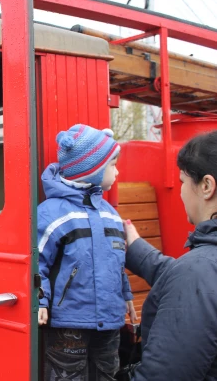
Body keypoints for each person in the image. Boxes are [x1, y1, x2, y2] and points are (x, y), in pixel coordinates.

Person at [38, 124, 136, 381]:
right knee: (66, 374)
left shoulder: (109, 213)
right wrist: (39, 299)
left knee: (107, 371)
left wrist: (126, 295)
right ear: (91, 169)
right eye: (113, 165)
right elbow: (37, 262)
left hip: (110, 318)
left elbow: (117, 260)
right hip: (69, 321)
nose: (118, 171)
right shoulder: (52, 213)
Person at [124, 130, 217, 380]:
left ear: (207, 186)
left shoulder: (197, 271)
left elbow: (164, 374)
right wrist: (134, 246)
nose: (181, 192)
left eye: (183, 182)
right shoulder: (200, 270)